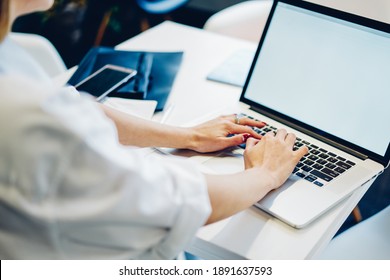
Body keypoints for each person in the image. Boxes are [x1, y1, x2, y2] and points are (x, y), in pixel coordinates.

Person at [0, 0, 308, 259]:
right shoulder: (26, 113)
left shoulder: (9, 54)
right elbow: (177, 201)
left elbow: (73, 105)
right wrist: (265, 173)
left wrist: (189, 136)